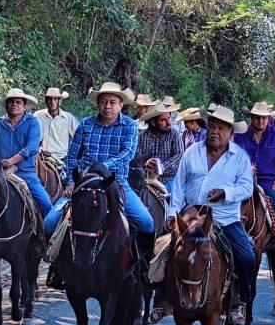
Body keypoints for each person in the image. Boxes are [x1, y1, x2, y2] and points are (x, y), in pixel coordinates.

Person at [154, 105, 255, 325]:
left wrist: (225, 193)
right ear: (206, 127)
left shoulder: (240, 157)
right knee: (165, 250)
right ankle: (164, 299)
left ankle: (238, 301)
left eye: (221, 128)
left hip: (225, 218)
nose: (215, 132)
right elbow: (179, 186)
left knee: (247, 257)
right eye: (212, 126)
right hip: (191, 214)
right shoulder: (192, 151)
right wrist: (172, 213)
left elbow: (247, 187)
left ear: (230, 133)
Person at [44, 82, 155, 272]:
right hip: (84, 185)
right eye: (104, 102)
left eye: (113, 102)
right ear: (98, 104)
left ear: (121, 105)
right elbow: (72, 155)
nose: (108, 106)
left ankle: (142, 268)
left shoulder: (129, 125)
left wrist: (102, 167)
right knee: (50, 222)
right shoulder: (86, 124)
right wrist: (71, 181)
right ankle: (58, 266)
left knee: (146, 222)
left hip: (117, 184)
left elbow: (128, 153)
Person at [234, 101, 275, 256]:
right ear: (251, 117)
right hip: (243, 181)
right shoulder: (239, 135)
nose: (261, 121)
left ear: (268, 117)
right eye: (257, 117)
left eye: (264, 118)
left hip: (269, 183)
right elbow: (230, 156)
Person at [0, 88, 52, 216]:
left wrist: (11, 161)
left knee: (46, 204)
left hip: (25, 173)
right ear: (6, 105)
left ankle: (49, 234)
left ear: (24, 106)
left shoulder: (32, 123)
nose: (14, 104)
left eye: (18, 102)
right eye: (11, 102)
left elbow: (32, 147)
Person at [135, 103, 185, 193]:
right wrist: (145, 162)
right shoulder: (142, 137)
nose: (169, 122)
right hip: (146, 177)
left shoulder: (174, 134)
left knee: (172, 199)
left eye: (168, 118)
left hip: (168, 178)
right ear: (154, 122)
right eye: (163, 120)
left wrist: (161, 167)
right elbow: (137, 157)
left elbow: (179, 155)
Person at [35, 87, 78, 161]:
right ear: (46, 101)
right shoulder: (38, 115)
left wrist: (73, 154)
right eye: (49, 99)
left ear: (60, 101)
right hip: (42, 157)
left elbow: (78, 137)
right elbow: (32, 136)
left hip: (62, 158)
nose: (52, 102)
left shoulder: (68, 118)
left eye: (55, 99)